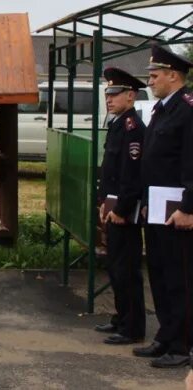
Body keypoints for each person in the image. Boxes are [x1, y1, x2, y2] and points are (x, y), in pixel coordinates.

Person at [133, 44, 193, 368]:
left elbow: (190, 165)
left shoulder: (187, 110)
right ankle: (165, 337)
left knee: (178, 277)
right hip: (156, 207)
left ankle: (182, 346)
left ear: (173, 75)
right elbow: (152, 163)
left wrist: (189, 208)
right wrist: (144, 202)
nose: (150, 80)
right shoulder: (161, 109)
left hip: (177, 210)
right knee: (157, 273)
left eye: (155, 75)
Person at [94, 67, 146, 346]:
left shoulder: (133, 128)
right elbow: (110, 171)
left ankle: (132, 327)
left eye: (115, 94)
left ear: (130, 95)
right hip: (111, 207)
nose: (109, 99)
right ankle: (120, 317)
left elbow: (132, 175)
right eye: (107, 94)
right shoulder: (116, 124)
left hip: (124, 211)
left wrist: (123, 209)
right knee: (115, 267)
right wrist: (103, 202)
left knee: (127, 269)